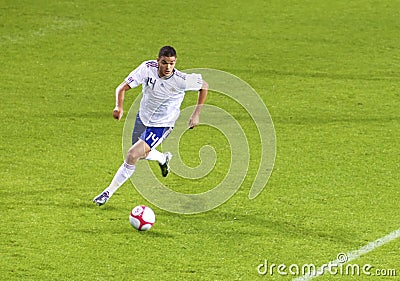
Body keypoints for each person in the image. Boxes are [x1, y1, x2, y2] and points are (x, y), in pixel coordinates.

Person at [93, 46, 208, 206]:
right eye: (164, 62)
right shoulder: (147, 68)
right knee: (140, 153)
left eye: (172, 63)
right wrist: (119, 106)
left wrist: (196, 114)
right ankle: (163, 158)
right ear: (158, 61)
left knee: (133, 154)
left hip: (162, 125)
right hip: (143, 118)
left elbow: (204, 86)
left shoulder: (181, 79)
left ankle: (107, 193)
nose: (168, 67)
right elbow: (121, 88)